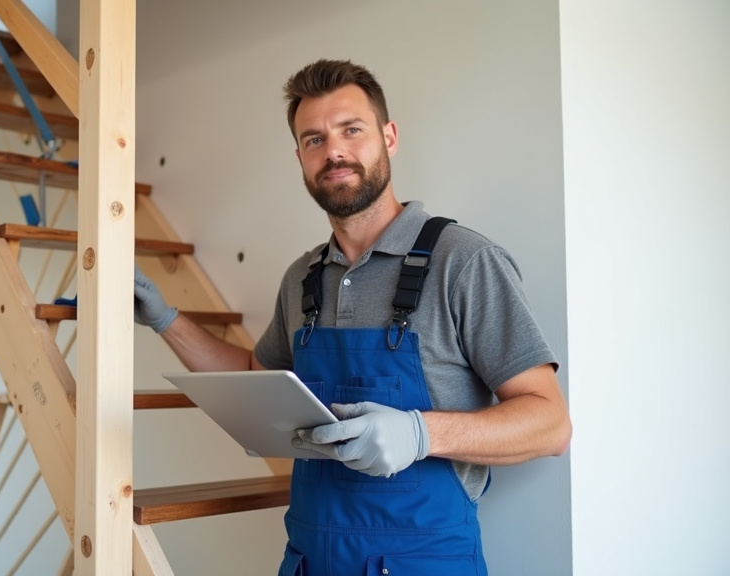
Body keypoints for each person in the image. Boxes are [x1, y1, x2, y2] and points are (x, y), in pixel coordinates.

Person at [134, 59, 571, 576]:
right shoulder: (302, 277)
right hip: (309, 559)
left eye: (351, 130)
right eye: (314, 139)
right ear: (299, 157)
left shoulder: (464, 261)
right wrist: (166, 320)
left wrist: (420, 434)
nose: (334, 150)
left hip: (423, 562)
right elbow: (258, 376)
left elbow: (550, 423)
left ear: (389, 136)